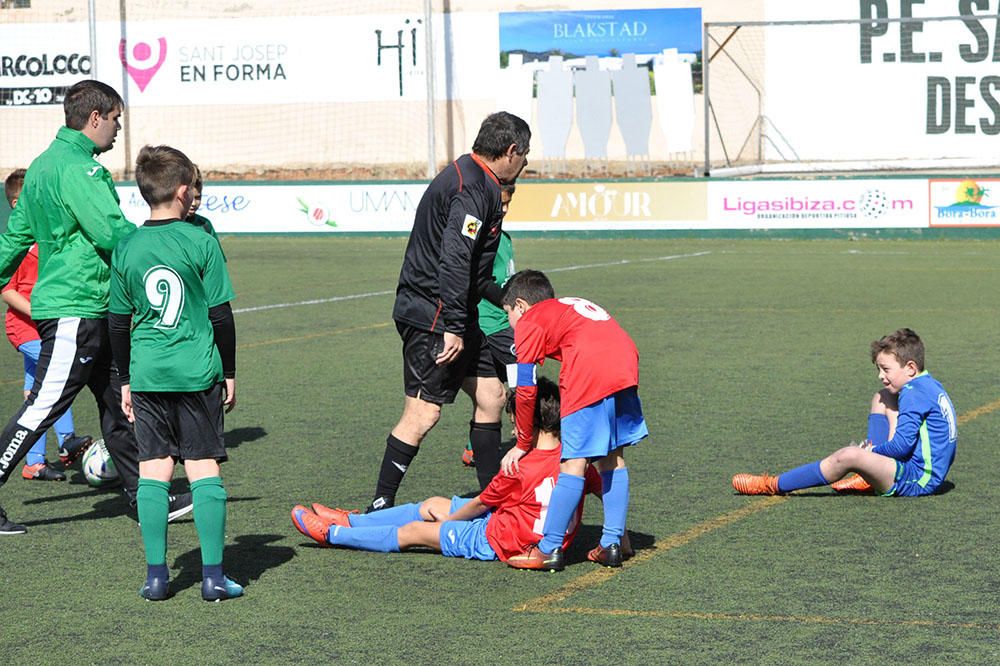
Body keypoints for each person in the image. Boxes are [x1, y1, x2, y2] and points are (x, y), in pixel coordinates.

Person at [0, 80, 192, 536]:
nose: (118, 128)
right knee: (42, 407)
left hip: (89, 308)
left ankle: (146, 497)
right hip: (77, 309)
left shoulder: (43, 166)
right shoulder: (78, 170)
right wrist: (164, 246)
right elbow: (112, 232)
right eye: (115, 119)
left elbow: (15, 237)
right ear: (95, 118)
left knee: (120, 407)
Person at [367, 111, 531, 512]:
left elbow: (474, 274)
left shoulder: (480, 181)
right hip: (432, 317)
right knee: (423, 413)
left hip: (453, 312)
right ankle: (379, 504)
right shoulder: (472, 189)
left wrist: (510, 300)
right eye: (524, 154)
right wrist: (454, 327)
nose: (526, 163)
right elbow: (456, 260)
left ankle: (496, 501)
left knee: (492, 395)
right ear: (510, 151)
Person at [293, 378, 628, 565]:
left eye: (516, 418)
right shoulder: (575, 463)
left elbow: (480, 503)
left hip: (499, 540)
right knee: (432, 503)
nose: (513, 425)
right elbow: (603, 489)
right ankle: (350, 520)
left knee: (414, 530)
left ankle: (333, 534)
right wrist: (618, 535)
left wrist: (450, 523)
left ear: (530, 421)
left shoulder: (519, 466)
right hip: (520, 525)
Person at [109, 144, 241, 601]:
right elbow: (222, 317)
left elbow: (117, 322)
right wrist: (230, 372)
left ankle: (156, 577)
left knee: (153, 471)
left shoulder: (126, 245)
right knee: (203, 467)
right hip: (195, 371)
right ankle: (212, 578)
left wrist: (124, 378)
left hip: (147, 374)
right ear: (184, 191)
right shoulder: (201, 241)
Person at [500, 270, 649, 571]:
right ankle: (612, 543)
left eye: (508, 315)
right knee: (612, 458)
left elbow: (527, 389)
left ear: (520, 306)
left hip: (589, 367)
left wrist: (522, 442)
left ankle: (548, 548)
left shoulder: (529, 320)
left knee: (573, 463)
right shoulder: (565, 306)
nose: (510, 324)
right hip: (625, 361)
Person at [732, 328, 957, 497]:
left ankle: (772, 484)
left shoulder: (912, 394)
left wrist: (873, 450)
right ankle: (867, 476)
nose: (880, 375)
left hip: (917, 480)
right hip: (925, 473)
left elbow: (902, 446)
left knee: (848, 455)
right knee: (882, 396)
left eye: (886, 369)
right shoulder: (927, 384)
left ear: (910, 367)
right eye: (878, 369)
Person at [4, 169, 93, 481]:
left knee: (35, 391)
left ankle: (34, 463)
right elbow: (7, 291)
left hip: (46, 324)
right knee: (56, 378)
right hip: (26, 327)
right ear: (17, 203)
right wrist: (40, 312)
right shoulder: (15, 242)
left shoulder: (46, 236)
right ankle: (67, 441)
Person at [462, 181, 518, 467]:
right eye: (500, 204)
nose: (504, 209)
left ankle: (474, 447)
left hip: (502, 321)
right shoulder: (478, 237)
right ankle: (526, 439)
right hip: (491, 324)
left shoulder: (504, 238)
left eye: (508, 203)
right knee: (524, 370)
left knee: (493, 388)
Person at [185, 165, 226, 260]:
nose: (194, 203)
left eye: (198, 197)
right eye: (190, 198)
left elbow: (218, 261)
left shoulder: (205, 225)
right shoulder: (168, 226)